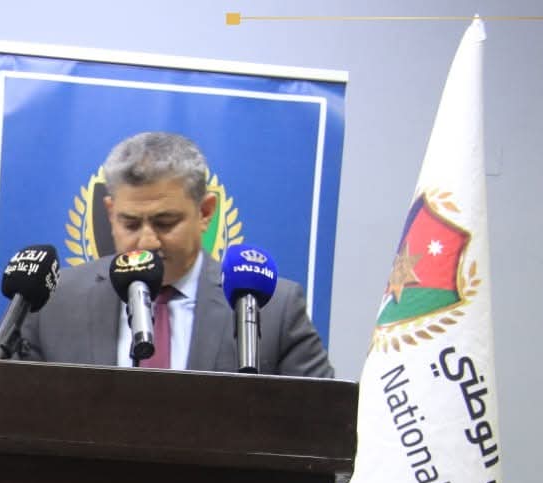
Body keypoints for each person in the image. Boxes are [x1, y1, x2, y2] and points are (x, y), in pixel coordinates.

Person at [17, 132, 334, 378]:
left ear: (205, 211)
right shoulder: (55, 301)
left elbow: (323, 421)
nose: (147, 241)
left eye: (165, 222)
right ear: (111, 213)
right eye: (130, 223)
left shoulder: (274, 308)